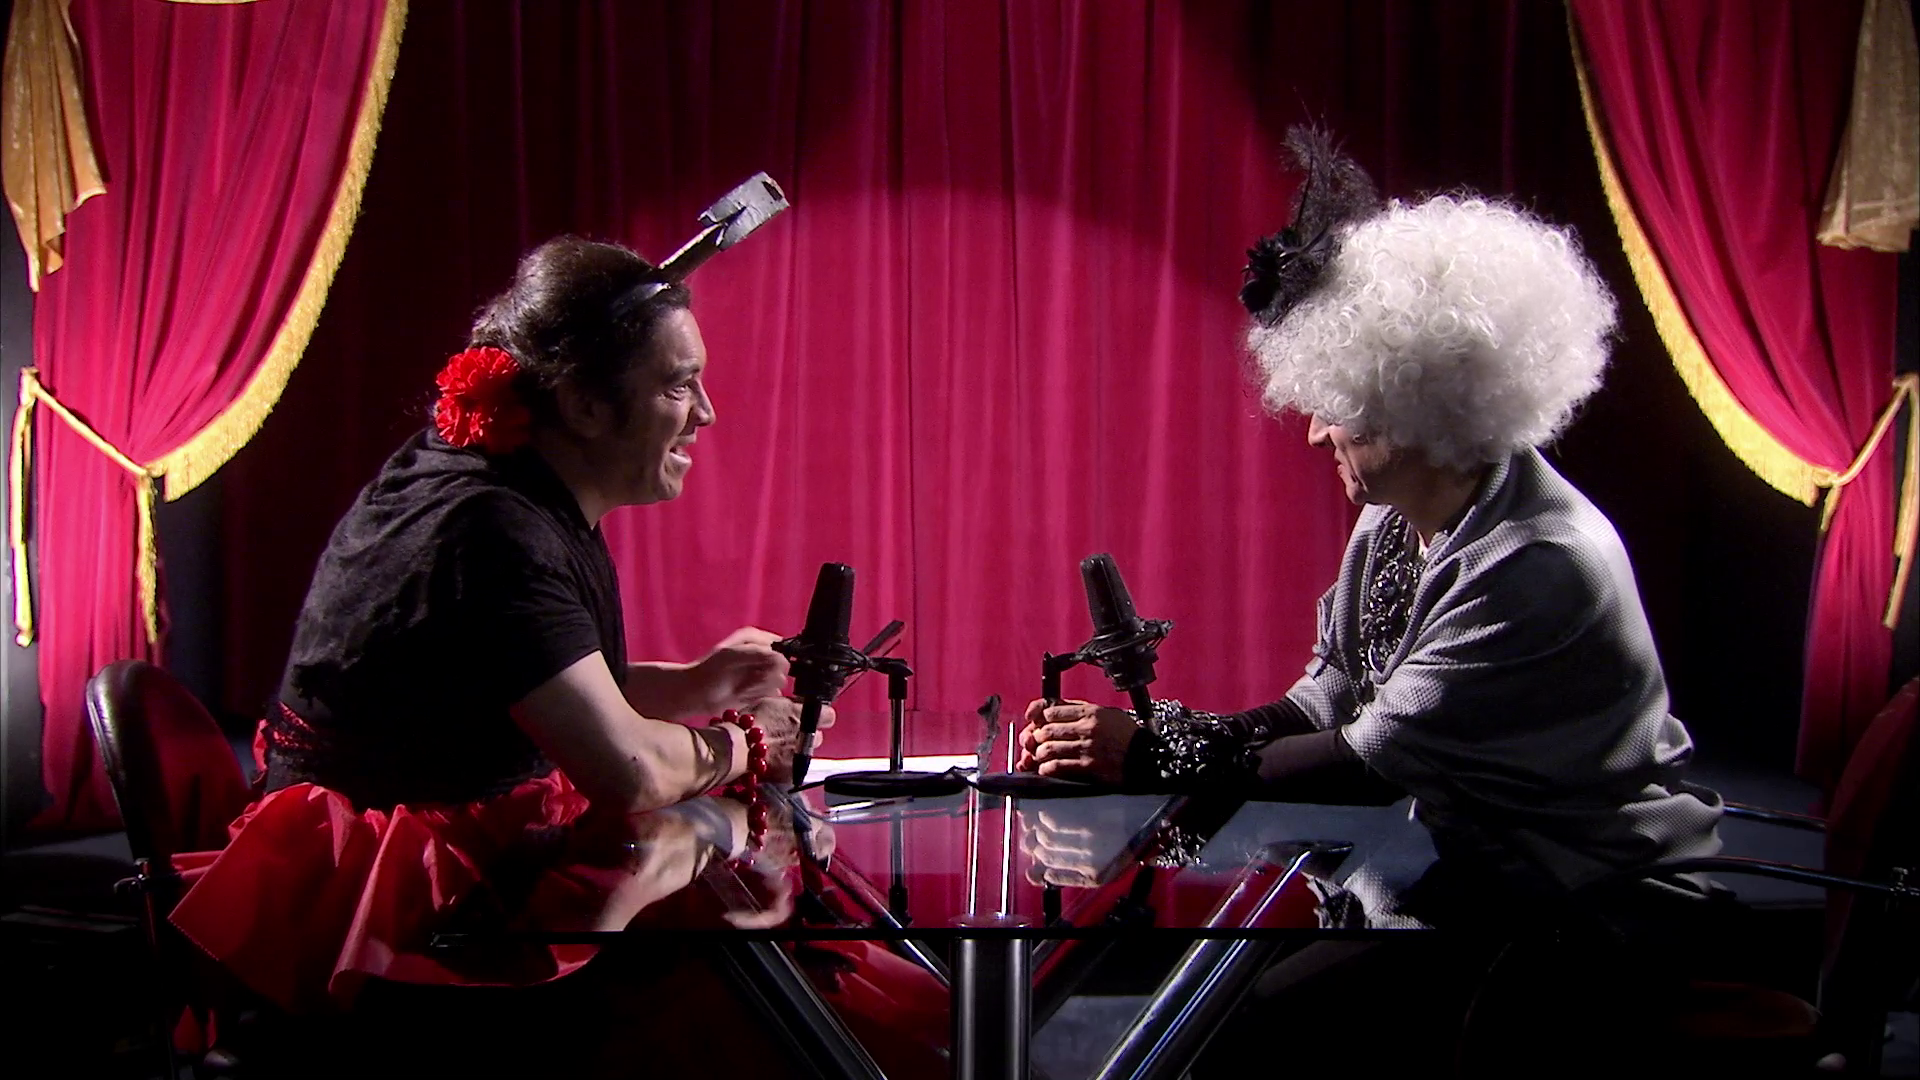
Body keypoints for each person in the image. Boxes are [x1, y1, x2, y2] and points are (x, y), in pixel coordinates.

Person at [1016, 128, 1726, 1074]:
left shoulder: (1536, 560)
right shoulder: (1394, 520)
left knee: (1247, 1034)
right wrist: (1153, 741)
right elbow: (1325, 700)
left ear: (1426, 405)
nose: (1314, 432)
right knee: (1224, 1010)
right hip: (1456, 875)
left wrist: (1149, 752)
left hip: (1582, 912)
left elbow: (1365, 763)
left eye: (1341, 403)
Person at [164, 236, 913, 1074]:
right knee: (716, 954)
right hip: (400, 905)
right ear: (585, 404)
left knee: (720, 885)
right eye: (678, 384)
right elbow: (627, 769)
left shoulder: (501, 480)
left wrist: (696, 683)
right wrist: (748, 737)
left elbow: (522, 687)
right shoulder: (492, 529)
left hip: (450, 835)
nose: (705, 412)